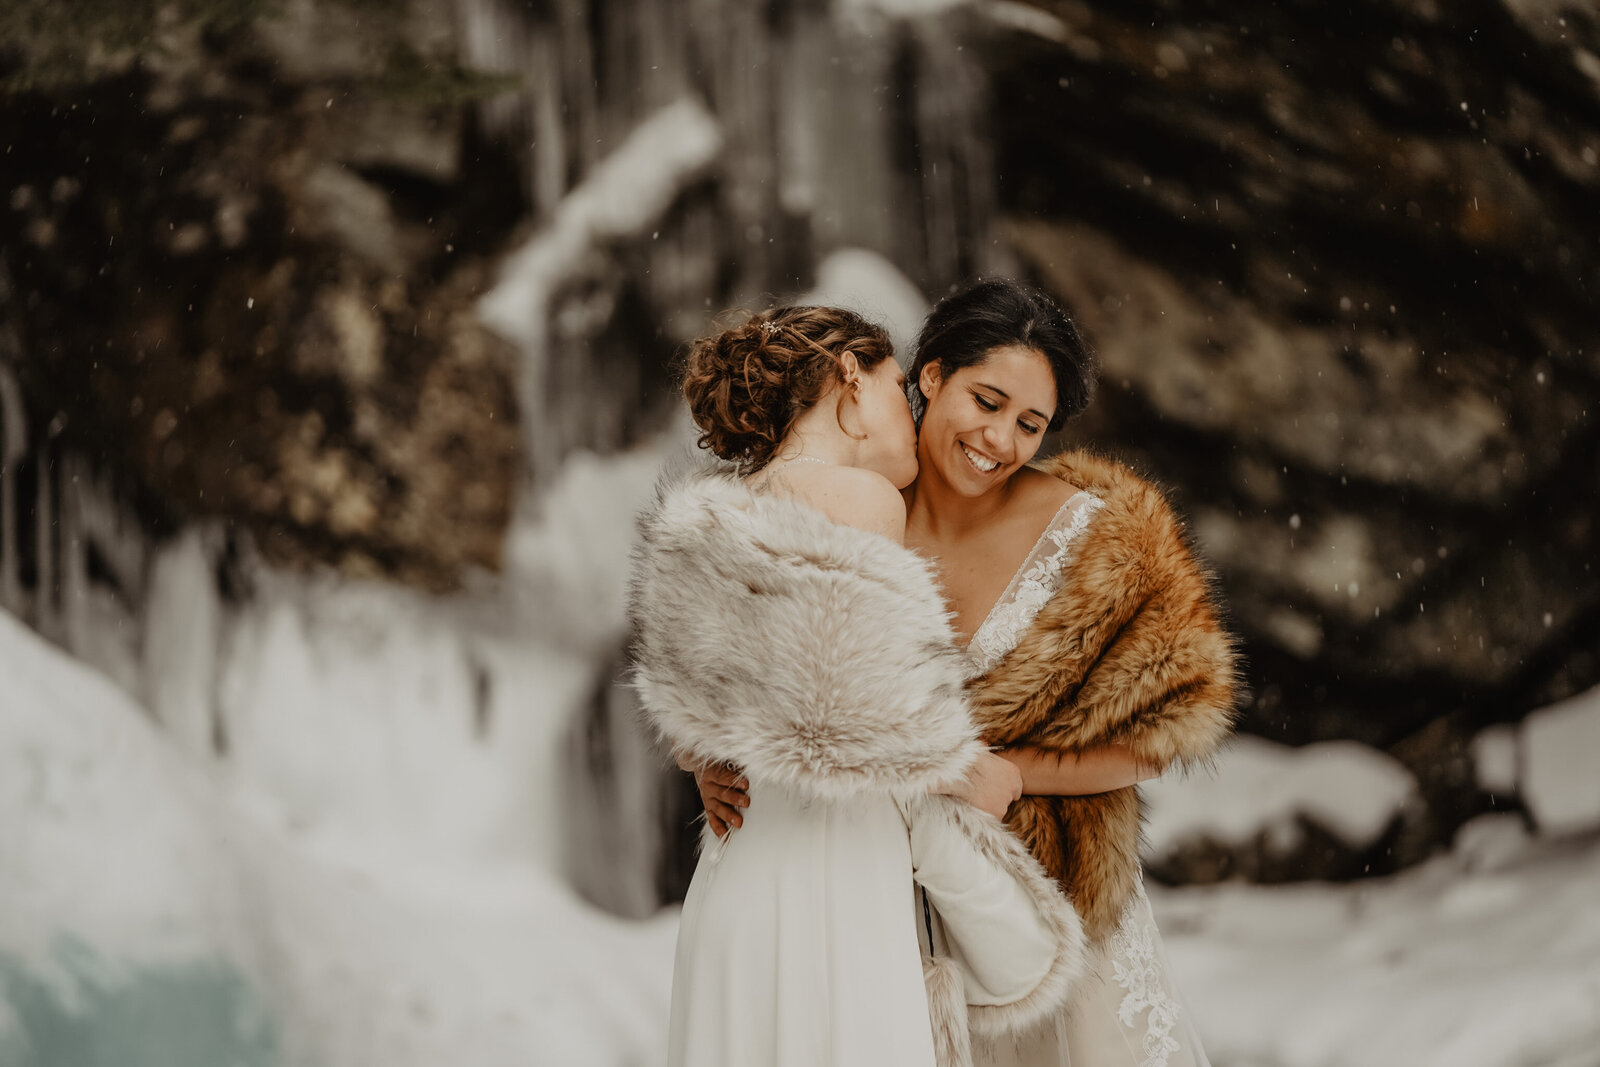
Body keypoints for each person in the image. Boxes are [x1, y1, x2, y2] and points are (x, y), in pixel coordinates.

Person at [695, 282, 1239, 1067]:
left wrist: (1011, 773)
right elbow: (757, 671)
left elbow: (1165, 735)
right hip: (893, 911)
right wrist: (721, 760)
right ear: (930, 375)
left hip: (1048, 901)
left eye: (1030, 424)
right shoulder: (855, 508)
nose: (1000, 439)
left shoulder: (1100, 532)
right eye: (986, 401)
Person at [630, 305, 1090, 1067]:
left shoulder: (715, 512)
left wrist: (716, 762)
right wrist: (969, 769)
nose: (910, 414)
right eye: (898, 385)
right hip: (830, 871)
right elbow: (867, 706)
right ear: (850, 378)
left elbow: (691, 730)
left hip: (737, 870)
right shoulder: (863, 500)